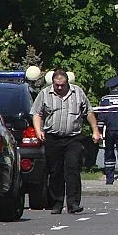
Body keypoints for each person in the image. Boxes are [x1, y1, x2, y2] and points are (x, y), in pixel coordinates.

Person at [31, 69, 99, 214]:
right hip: (53, 138)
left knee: (72, 168)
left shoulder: (78, 92)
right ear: (53, 83)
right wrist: (38, 130)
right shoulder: (44, 93)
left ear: (67, 82)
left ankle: (73, 203)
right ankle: (57, 203)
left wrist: (95, 130)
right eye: (57, 85)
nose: (60, 88)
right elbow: (37, 113)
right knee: (55, 171)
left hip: (73, 138)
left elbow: (89, 112)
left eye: (63, 85)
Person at [96, 76, 118, 185]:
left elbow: (101, 116)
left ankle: (109, 178)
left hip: (110, 130)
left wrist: (99, 131)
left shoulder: (104, 100)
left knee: (109, 152)